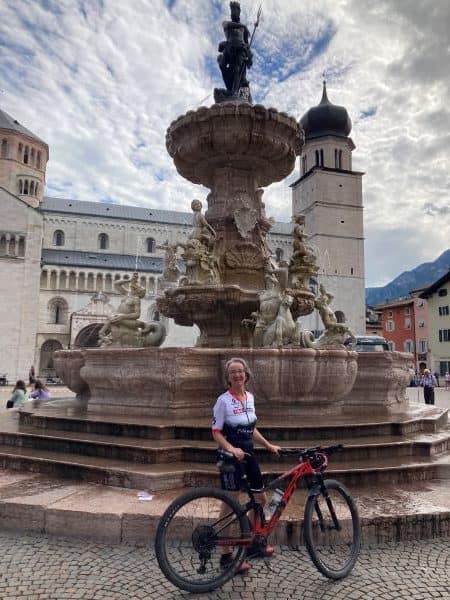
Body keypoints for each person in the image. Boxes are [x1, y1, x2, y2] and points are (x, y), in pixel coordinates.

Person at [212, 357, 281, 573]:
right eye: (233, 372)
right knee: (231, 503)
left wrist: (268, 445)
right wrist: (231, 448)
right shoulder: (223, 401)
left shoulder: (250, 397)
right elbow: (215, 432)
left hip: (249, 455)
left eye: (240, 371)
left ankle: (253, 542)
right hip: (229, 457)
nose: (237, 375)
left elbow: (251, 428)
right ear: (228, 377)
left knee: (260, 498)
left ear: (246, 374)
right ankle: (226, 557)